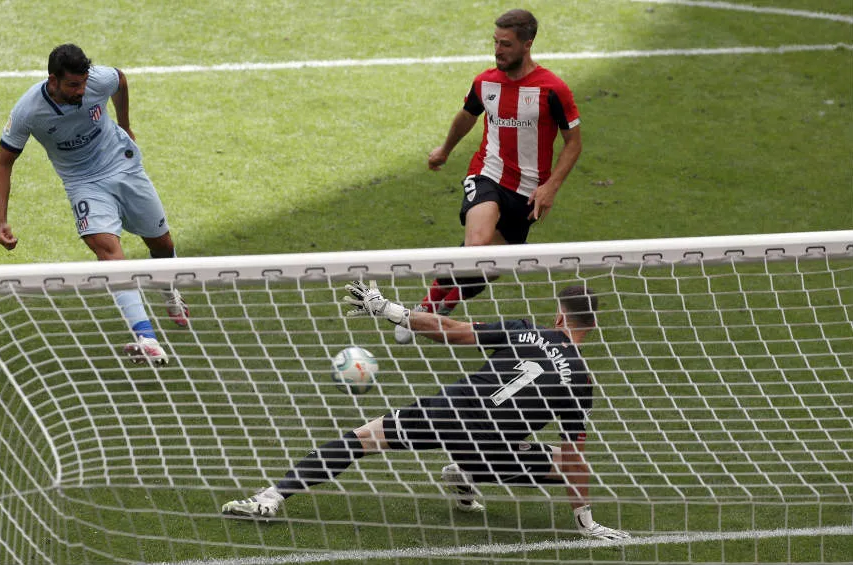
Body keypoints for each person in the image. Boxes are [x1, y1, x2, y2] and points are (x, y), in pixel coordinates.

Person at [222, 281, 629, 541]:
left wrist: (390, 310)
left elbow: (451, 330)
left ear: (559, 316)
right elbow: (575, 458)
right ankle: (467, 472)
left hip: (449, 409)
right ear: (591, 327)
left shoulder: (526, 330)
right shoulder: (581, 381)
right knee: (561, 460)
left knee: (362, 440)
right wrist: (586, 521)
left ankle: (271, 497)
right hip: (488, 444)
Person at [396, 8, 582, 344]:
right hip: (487, 174)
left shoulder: (553, 89)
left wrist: (551, 187)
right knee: (478, 245)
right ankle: (426, 307)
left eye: (506, 44)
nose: (498, 50)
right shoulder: (485, 82)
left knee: (490, 266)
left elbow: (574, 143)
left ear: (527, 44)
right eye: (495, 42)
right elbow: (468, 115)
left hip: (527, 192)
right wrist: (444, 150)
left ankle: (447, 299)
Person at [0, 43, 187, 365]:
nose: (81, 91)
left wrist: (124, 123)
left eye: (83, 83)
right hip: (83, 184)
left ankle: (169, 291)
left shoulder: (97, 80)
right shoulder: (28, 111)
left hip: (123, 165)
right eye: (73, 85)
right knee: (108, 252)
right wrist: (2, 220)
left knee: (162, 244)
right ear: (53, 80)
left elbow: (120, 79)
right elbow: (4, 163)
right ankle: (147, 338)